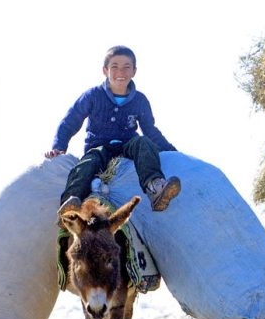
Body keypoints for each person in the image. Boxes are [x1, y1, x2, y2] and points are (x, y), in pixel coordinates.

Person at [45, 45, 181, 213]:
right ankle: (70, 206)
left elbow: (150, 131)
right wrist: (59, 147)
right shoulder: (93, 95)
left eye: (126, 67)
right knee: (87, 164)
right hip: (99, 147)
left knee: (144, 143)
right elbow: (70, 122)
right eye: (114, 67)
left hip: (127, 146)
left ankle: (155, 188)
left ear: (134, 71)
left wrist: (172, 151)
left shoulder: (140, 100)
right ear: (105, 70)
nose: (121, 72)